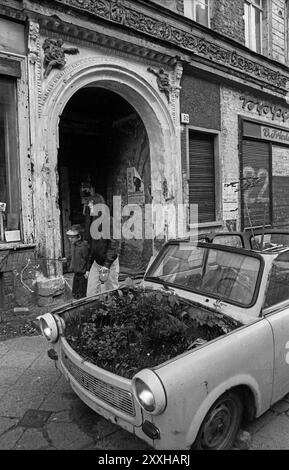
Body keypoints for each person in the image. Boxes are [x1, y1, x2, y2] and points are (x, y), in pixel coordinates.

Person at [86, 194, 120, 296]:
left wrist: (106, 266)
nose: (89, 206)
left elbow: (114, 245)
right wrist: (88, 267)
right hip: (97, 263)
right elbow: (93, 248)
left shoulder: (109, 221)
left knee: (111, 291)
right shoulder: (94, 222)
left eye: (91, 205)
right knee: (91, 292)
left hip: (109, 264)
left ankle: (114, 311)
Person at [66, 224, 90, 299]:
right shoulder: (74, 245)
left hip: (83, 274)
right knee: (75, 292)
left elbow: (88, 258)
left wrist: (87, 270)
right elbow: (72, 256)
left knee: (82, 292)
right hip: (76, 272)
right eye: (69, 237)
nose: (70, 239)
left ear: (79, 237)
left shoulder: (84, 246)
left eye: (72, 237)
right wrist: (66, 259)